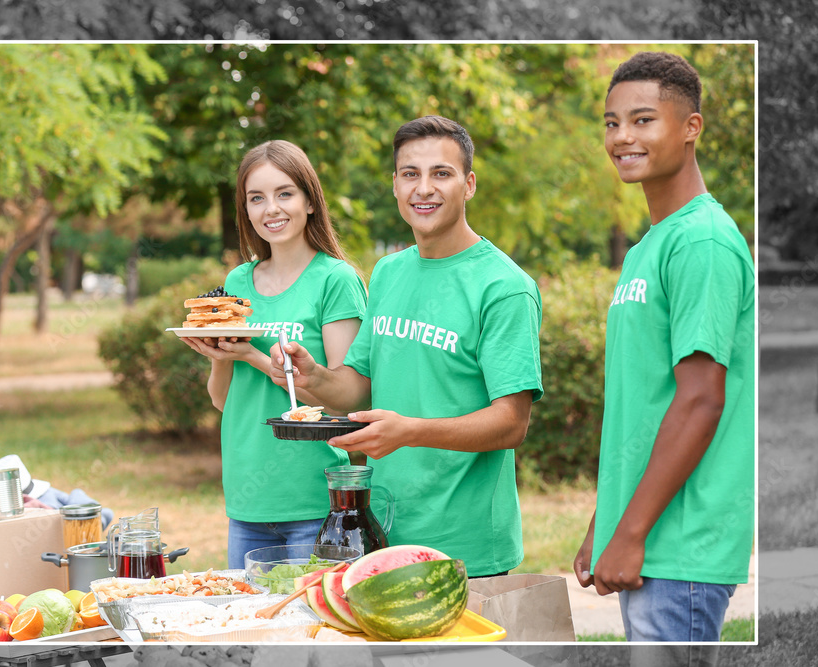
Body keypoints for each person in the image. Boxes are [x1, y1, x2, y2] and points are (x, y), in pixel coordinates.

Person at [268, 116, 543, 577]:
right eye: (411, 174)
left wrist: (410, 431)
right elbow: (358, 387)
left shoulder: (504, 286)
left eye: (442, 173)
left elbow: (511, 424)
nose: (424, 189)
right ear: (395, 185)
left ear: (469, 184)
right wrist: (312, 376)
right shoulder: (389, 272)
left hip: (465, 547)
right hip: (384, 535)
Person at [573, 51, 755, 648]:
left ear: (690, 127)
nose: (622, 136)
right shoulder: (650, 246)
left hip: (681, 545)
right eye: (611, 122)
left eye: (643, 120)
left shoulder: (702, 242)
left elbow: (701, 400)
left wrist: (632, 531)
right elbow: (646, 399)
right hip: (649, 533)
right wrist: (609, 522)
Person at [181, 140, 367, 569]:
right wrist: (218, 354)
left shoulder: (335, 280)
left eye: (285, 193)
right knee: (249, 632)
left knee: (307, 630)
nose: (271, 209)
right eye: (256, 198)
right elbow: (224, 401)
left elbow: (347, 401)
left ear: (310, 201)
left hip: (311, 496)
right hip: (246, 500)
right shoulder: (238, 281)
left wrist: (254, 358)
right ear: (245, 210)